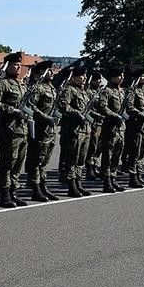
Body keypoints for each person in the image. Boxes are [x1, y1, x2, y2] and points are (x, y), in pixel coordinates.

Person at [0, 52, 29, 208]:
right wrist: (12, 110)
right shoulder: (3, 84)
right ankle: (5, 193)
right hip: (9, 129)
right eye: (15, 65)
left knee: (18, 163)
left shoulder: (21, 84)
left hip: (22, 129)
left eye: (20, 65)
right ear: (7, 66)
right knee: (8, 162)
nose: (19, 67)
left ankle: (14, 191)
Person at [23, 60, 59, 201]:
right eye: (48, 70)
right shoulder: (37, 88)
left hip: (50, 130)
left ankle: (43, 185)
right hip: (39, 128)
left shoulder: (52, 88)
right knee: (36, 160)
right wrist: (46, 118)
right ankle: (35, 187)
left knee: (44, 161)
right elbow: (31, 106)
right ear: (40, 73)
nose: (51, 72)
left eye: (52, 70)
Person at [56, 64, 93, 197]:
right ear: (75, 77)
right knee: (72, 159)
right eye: (82, 76)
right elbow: (63, 106)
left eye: (85, 75)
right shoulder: (69, 90)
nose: (84, 78)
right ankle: (71, 186)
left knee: (81, 160)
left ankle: (78, 183)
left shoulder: (84, 92)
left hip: (85, 130)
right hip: (74, 130)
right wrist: (76, 113)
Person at [93, 65, 127, 193]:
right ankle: (107, 181)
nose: (122, 77)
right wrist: (115, 116)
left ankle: (113, 178)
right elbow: (102, 107)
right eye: (119, 75)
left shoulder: (121, 91)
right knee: (108, 155)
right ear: (113, 77)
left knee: (117, 154)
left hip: (120, 128)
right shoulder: (106, 91)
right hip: (110, 127)